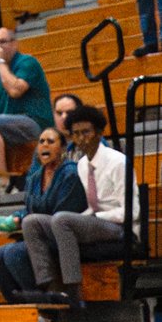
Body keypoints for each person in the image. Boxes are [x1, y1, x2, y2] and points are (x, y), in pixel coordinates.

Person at [11, 103, 133, 308]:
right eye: (76, 134)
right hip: (96, 221)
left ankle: (73, 292)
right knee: (31, 222)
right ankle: (51, 288)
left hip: (119, 226)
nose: (81, 138)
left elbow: (130, 211)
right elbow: (91, 206)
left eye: (86, 132)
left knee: (62, 219)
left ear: (99, 133)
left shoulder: (118, 162)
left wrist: (93, 218)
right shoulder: (83, 165)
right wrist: (86, 217)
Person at [0, 127, 86, 304]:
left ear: (62, 148)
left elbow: (65, 213)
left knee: (14, 254)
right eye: (41, 141)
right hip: (35, 235)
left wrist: (30, 221)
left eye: (50, 141)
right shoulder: (35, 177)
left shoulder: (70, 173)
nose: (44, 145)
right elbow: (30, 208)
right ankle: (23, 305)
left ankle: (49, 301)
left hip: (62, 237)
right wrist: (18, 217)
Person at [0, 28, 53, 177]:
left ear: (14, 44)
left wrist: (1, 62)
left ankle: (2, 177)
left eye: (2, 42)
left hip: (34, 120)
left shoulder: (27, 62)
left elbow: (15, 91)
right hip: (4, 123)